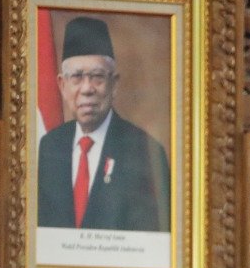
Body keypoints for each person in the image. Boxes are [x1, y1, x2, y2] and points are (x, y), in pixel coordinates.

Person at [37, 16, 171, 232]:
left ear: (114, 84)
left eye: (97, 77)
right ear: (62, 85)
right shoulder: (49, 147)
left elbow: (154, 244)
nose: (87, 88)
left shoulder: (144, 152)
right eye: (77, 77)